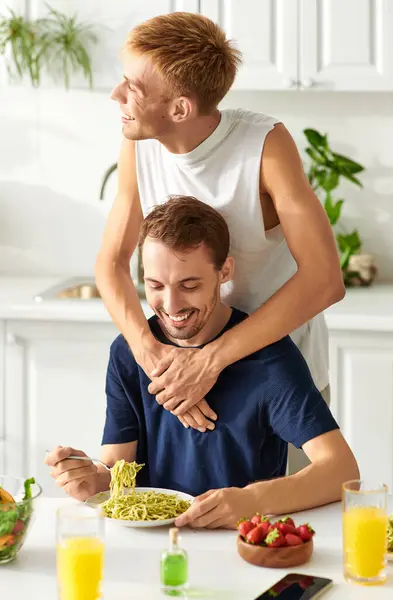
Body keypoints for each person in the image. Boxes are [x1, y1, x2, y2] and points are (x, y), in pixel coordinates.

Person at [94, 12, 346, 439]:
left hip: (279, 376)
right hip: (186, 374)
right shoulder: (139, 147)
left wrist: (212, 360)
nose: (115, 95)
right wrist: (148, 350)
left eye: (131, 88)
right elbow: (111, 262)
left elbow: (325, 280)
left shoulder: (264, 145)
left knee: (289, 505)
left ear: (179, 108)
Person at [46, 198, 359, 529]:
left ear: (224, 271)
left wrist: (252, 500)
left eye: (189, 285)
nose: (171, 305)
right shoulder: (129, 353)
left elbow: (341, 470)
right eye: (155, 286)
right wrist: (90, 480)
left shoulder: (269, 359)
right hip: (153, 542)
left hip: (238, 541)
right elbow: (115, 468)